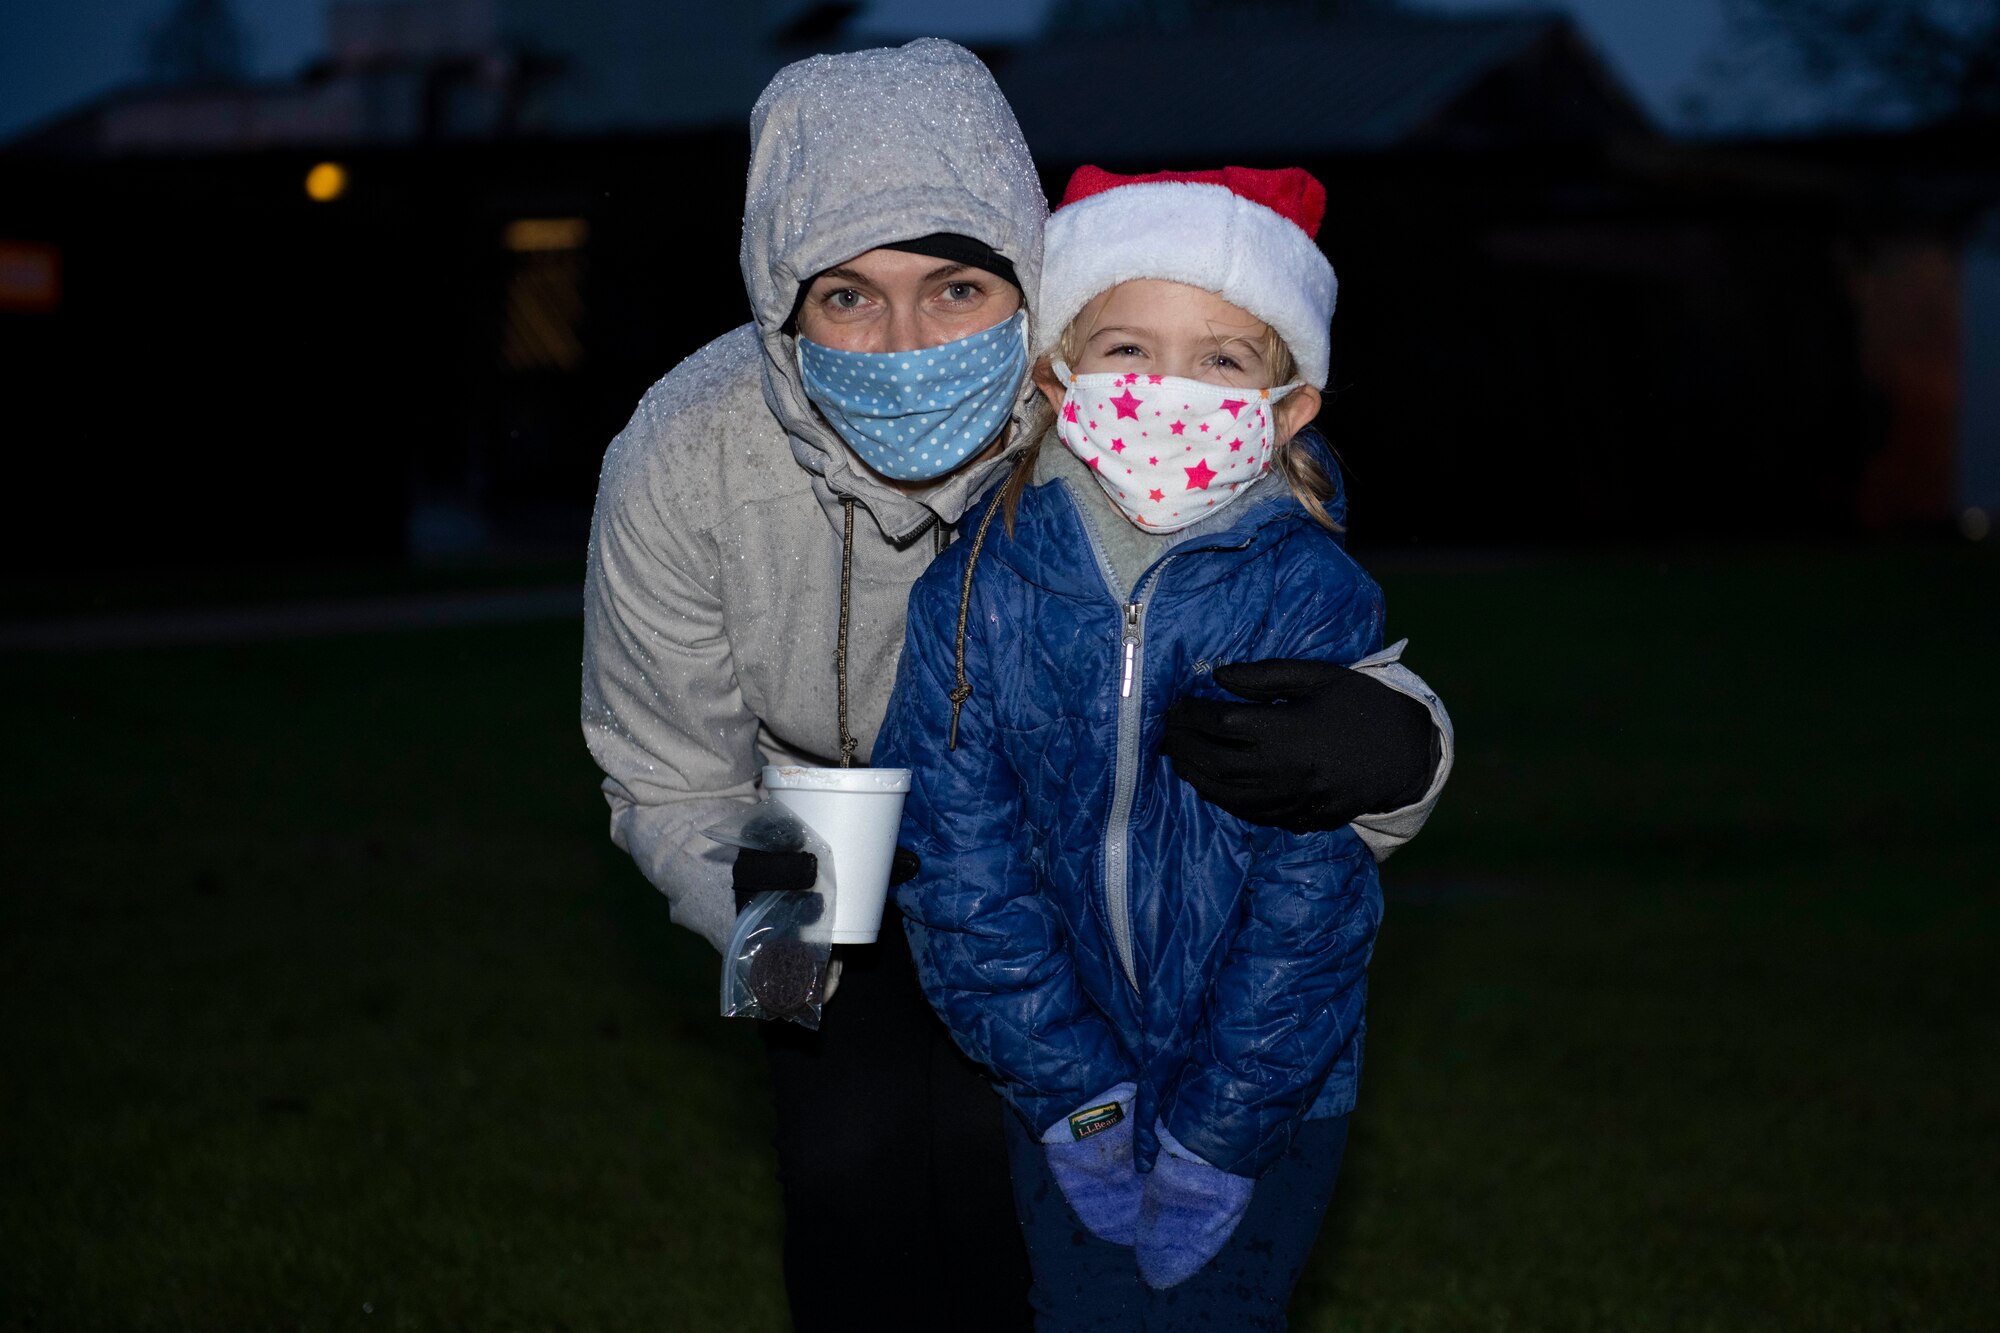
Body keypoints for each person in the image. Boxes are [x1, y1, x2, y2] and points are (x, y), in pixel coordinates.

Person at [580, 43, 1452, 1331]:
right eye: (843, 297)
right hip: (829, 821)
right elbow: (667, 769)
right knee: (850, 1168)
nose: (904, 339)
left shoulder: (1127, 407)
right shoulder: (683, 452)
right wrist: (792, 966)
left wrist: (1400, 750)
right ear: (782, 300)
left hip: (1074, 838)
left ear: (1027, 283)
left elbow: (1300, 609)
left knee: (1021, 1196)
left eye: (955, 286)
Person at [876, 164, 1403, 1329]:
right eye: (1125, 348)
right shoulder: (976, 582)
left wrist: (1223, 1131)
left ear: (1287, 404)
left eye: (1220, 358)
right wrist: (1070, 1090)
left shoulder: (1311, 593)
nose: (1166, 387)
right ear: (1058, 374)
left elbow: (1314, 894)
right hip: (1058, 1076)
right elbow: (957, 858)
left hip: (1273, 1090)